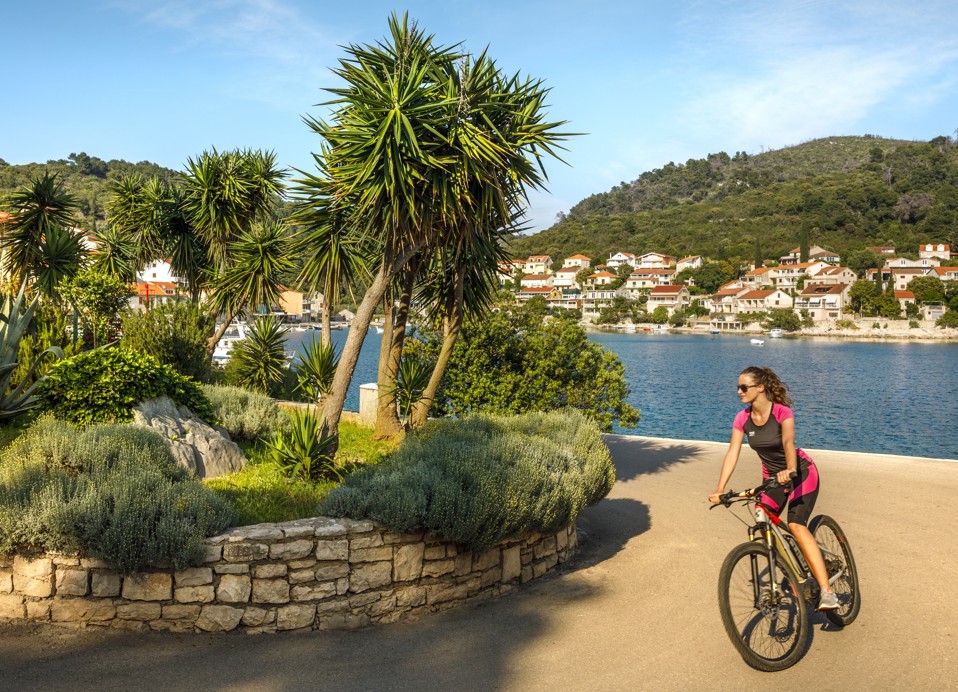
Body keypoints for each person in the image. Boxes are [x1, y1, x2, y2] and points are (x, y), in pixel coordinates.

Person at [708, 366, 838, 611]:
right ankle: (794, 570)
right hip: (771, 479)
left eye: (744, 387)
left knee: (797, 525)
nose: (739, 391)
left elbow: (789, 443)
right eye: (738, 387)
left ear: (761, 388)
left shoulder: (782, 412)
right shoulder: (742, 419)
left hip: (800, 472)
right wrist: (720, 488)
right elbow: (732, 453)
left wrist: (789, 470)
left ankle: (828, 592)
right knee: (761, 515)